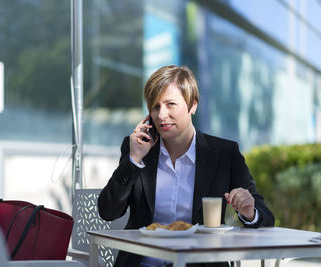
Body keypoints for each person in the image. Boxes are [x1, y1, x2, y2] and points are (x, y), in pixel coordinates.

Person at [98, 65, 274, 267]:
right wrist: (134, 160)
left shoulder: (225, 154)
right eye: (155, 107)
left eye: (170, 104)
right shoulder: (138, 149)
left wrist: (249, 212)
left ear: (193, 105)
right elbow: (107, 212)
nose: (161, 115)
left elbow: (265, 215)